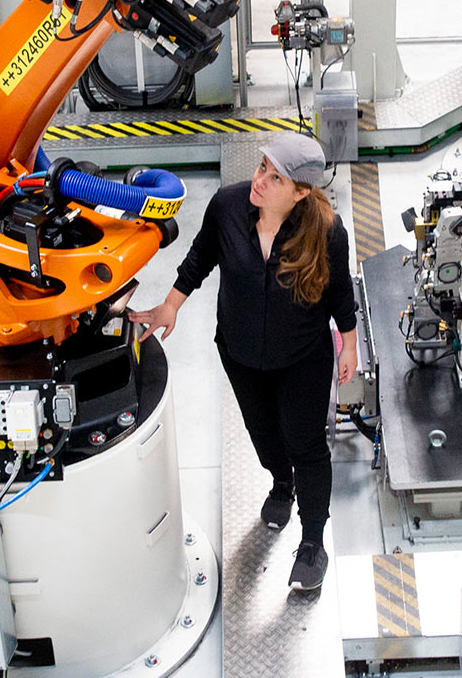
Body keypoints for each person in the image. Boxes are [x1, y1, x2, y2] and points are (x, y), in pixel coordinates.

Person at [132, 133, 357, 592]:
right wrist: (171, 304)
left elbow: (339, 294)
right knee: (263, 435)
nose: (260, 181)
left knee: (307, 446)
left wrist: (349, 345)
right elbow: (199, 257)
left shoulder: (327, 233)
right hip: (239, 351)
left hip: (302, 358)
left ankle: (313, 541)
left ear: (300, 193)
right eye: (261, 167)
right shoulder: (228, 207)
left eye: (276, 178)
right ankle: (281, 483)